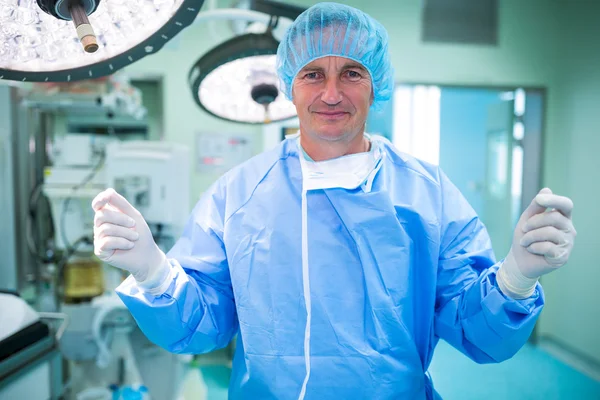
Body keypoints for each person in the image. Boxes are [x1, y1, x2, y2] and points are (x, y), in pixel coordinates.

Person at [91, 3, 576, 399]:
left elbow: (475, 332)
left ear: (376, 86)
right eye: (312, 74)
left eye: (351, 73)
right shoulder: (238, 194)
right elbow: (202, 326)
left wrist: (515, 277)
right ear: (289, 86)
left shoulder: (428, 194)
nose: (330, 93)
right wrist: (153, 271)